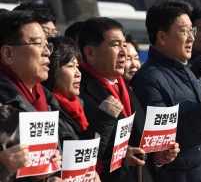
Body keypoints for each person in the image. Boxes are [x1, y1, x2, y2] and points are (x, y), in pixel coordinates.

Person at [130, 0, 201, 182]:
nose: (191, 37)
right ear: (162, 37)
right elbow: (159, 137)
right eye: (184, 31)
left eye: (192, 30)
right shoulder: (146, 79)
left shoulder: (186, 70)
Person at [77, 17, 179, 182]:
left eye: (123, 44)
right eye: (115, 45)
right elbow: (79, 150)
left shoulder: (128, 89)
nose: (123, 52)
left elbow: (139, 145)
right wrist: (121, 157)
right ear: (90, 53)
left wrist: (158, 159)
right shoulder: (79, 92)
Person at [41, 37, 124, 180]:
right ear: (50, 68)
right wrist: (105, 118)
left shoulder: (78, 104)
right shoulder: (47, 110)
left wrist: (123, 155)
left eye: (77, 66)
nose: (78, 73)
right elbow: (80, 157)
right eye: (69, 66)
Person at [0, 10, 62, 181]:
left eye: (46, 44)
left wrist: (51, 177)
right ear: (8, 54)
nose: (47, 52)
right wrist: (3, 167)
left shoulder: (48, 99)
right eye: (37, 44)